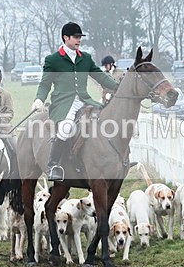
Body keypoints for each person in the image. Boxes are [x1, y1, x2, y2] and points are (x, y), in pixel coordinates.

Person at [32, 22, 119, 180]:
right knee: (66, 128)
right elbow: (45, 84)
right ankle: (53, 165)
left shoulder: (85, 58)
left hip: (85, 100)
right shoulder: (53, 60)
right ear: (66, 38)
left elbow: (100, 76)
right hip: (63, 103)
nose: (79, 40)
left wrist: (118, 87)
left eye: (80, 37)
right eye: (76, 37)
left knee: (105, 121)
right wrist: (39, 99)